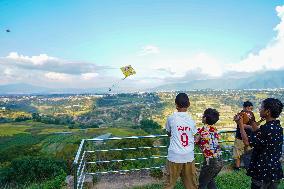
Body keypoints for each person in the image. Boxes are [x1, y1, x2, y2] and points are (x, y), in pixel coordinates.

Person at [236, 98, 283, 189]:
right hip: (274, 171)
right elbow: (258, 132)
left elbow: (246, 142)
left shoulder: (266, 129)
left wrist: (240, 124)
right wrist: (252, 120)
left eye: (261, 107)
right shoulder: (277, 127)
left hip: (262, 172)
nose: (259, 109)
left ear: (267, 112)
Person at [164, 93, 198, 189]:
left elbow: (169, 133)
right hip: (188, 156)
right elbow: (194, 134)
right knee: (191, 185)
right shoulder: (191, 121)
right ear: (188, 104)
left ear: (176, 104)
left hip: (174, 156)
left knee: (169, 184)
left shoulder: (171, 119)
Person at [195, 108, 223, 189]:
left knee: (202, 183)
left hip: (210, 162)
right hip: (219, 160)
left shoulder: (202, 131)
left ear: (205, 118)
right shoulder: (214, 130)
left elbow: (195, 141)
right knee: (210, 180)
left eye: (203, 115)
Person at [233, 101, 262, 170]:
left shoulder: (251, 114)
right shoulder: (240, 115)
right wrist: (252, 127)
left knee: (245, 152)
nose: (250, 110)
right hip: (241, 137)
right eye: (248, 109)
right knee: (238, 152)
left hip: (248, 137)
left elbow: (254, 124)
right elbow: (242, 125)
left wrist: (260, 121)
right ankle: (238, 167)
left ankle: (244, 166)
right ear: (244, 107)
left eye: (251, 109)